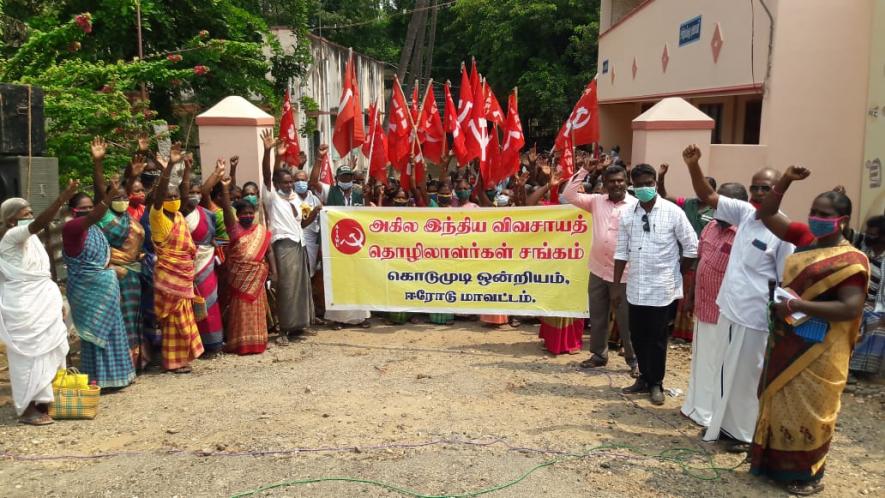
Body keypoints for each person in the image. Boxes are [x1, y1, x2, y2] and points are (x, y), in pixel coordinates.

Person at [752, 165, 868, 496]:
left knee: (809, 412)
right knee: (779, 402)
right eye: (814, 211)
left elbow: (850, 307)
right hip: (789, 339)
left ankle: (805, 476)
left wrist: (796, 306)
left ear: (842, 220)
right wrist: (785, 181)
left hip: (820, 350)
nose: (817, 217)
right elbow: (767, 212)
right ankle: (770, 464)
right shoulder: (805, 239)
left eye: (825, 214)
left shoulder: (851, 260)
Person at [682, 144, 794, 450]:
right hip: (729, 309)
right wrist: (693, 165)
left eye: (766, 188)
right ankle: (722, 427)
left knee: (746, 378)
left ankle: (744, 434)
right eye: (754, 187)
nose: (758, 194)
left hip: (756, 317)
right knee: (723, 372)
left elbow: (787, 280)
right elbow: (708, 197)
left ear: (778, 191)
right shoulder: (745, 213)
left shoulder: (783, 231)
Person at [613, 163, 698, 405]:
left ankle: (656, 383)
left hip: (662, 289)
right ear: (633, 185)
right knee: (637, 335)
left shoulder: (673, 212)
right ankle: (643, 378)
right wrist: (617, 286)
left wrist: (677, 274)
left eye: (648, 184)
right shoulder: (628, 214)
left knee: (658, 338)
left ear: (655, 184)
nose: (643, 188)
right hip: (636, 287)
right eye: (638, 185)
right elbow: (621, 251)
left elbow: (691, 247)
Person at [0, 181, 79, 425]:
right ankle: (28, 408)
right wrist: (62, 197)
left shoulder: (32, 241)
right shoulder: (11, 236)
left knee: (48, 352)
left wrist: (57, 298)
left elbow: (44, 271)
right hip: (23, 306)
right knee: (28, 357)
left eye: (31, 212)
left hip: (43, 300)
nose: (31, 217)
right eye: (25, 214)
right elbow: (39, 224)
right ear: (12, 220)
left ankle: (44, 401)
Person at [63, 137, 135, 389]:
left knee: (114, 331)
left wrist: (98, 162)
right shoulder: (73, 228)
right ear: (73, 211)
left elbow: (98, 199)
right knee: (94, 337)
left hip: (107, 287)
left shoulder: (95, 225)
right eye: (81, 208)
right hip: (87, 291)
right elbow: (98, 208)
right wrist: (108, 197)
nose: (87, 210)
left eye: (89, 207)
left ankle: (118, 378)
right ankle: (99, 380)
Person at [562, 159, 640, 377]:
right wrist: (585, 170)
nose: (616, 185)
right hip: (597, 269)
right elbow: (568, 195)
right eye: (612, 181)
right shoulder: (596, 201)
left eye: (620, 181)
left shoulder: (636, 206)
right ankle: (599, 355)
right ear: (604, 183)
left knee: (626, 319)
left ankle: (634, 360)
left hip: (624, 274)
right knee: (597, 315)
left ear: (626, 182)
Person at [680, 182, 747, 427]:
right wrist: (690, 299)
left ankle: (711, 413)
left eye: (722, 203)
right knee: (701, 359)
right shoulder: (710, 227)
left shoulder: (743, 234)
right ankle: (695, 406)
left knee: (719, 363)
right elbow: (700, 262)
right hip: (703, 306)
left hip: (726, 312)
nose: (715, 207)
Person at [92, 140, 146, 369]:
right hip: (114, 274)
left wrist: (133, 170)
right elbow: (101, 190)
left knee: (134, 318)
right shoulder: (104, 215)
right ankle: (120, 363)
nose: (122, 200)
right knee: (118, 318)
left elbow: (127, 184)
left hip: (134, 273)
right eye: (116, 198)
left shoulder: (129, 216)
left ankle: (135, 361)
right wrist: (98, 162)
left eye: (125, 198)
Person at [261, 129, 317, 343]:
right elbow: (267, 175)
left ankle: (298, 326)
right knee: (286, 287)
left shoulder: (295, 198)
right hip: (283, 245)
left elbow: (304, 222)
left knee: (301, 288)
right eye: (284, 183)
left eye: (290, 182)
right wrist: (269, 152)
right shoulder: (272, 197)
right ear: (276, 184)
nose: (288, 185)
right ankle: (283, 328)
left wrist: (315, 212)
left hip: (299, 244)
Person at [150, 152, 204, 373]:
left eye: (175, 197)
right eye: (168, 197)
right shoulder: (158, 217)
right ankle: (172, 362)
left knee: (186, 317)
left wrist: (184, 170)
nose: (173, 199)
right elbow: (161, 193)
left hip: (184, 273)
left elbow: (182, 190)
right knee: (172, 321)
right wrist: (169, 168)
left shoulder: (180, 217)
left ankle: (185, 358)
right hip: (168, 277)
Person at [658, 164, 717, 341]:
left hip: (703, 260)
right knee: (677, 294)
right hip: (682, 257)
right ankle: (673, 329)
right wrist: (661, 177)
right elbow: (664, 197)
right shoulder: (688, 203)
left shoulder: (717, 209)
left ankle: (688, 334)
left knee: (692, 295)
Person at [218, 176, 272, 355]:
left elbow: (268, 252)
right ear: (237, 215)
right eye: (244, 214)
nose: (248, 216)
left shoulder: (260, 231)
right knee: (240, 310)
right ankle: (240, 343)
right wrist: (225, 189)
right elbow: (226, 208)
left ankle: (258, 341)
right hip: (238, 277)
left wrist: (274, 271)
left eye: (250, 213)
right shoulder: (234, 229)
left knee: (257, 309)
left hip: (256, 276)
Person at [317, 160, 371, 329]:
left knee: (358, 278)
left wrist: (368, 197)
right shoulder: (329, 191)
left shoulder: (359, 193)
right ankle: (337, 318)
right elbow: (313, 183)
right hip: (336, 243)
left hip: (356, 243)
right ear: (337, 177)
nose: (346, 178)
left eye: (349, 176)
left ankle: (361, 317)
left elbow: (367, 213)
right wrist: (319, 159)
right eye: (343, 176)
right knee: (339, 279)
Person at [183, 158, 224, 354]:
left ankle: (214, 342)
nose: (195, 196)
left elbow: (207, 191)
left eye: (198, 192)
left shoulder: (207, 213)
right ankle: (195, 344)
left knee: (211, 300)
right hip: (189, 262)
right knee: (192, 303)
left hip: (207, 260)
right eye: (191, 192)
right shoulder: (183, 212)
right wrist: (187, 169)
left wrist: (218, 172)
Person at [850, 215, 885, 378]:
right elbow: (844, 232)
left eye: (873, 235)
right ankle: (848, 366)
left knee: (877, 322)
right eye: (867, 233)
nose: (868, 236)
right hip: (853, 297)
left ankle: (862, 370)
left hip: (877, 303)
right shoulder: (862, 245)